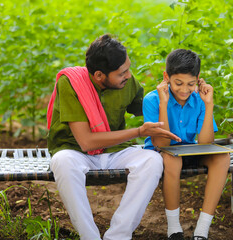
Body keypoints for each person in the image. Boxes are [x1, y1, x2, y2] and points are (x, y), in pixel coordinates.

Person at [46, 34, 181, 240]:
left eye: (128, 68)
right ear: (99, 75)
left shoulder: (127, 82)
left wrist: (177, 92)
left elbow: (149, 110)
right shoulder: (71, 83)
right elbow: (86, 142)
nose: (128, 75)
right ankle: (89, 237)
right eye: (122, 73)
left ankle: (118, 236)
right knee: (62, 162)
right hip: (75, 151)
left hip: (114, 151)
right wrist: (138, 132)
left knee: (152, 161)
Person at [143, 49, 230, 240]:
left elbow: (206, 143)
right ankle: (174, 228)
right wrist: (164, 104)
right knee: (172, 159)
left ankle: (202, 228)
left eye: (191, 84)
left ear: (198, 79)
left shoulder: (199, 99)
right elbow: (162, 142)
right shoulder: (152, 100)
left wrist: (209, 105)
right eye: (178, 83)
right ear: (166, 77)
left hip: (190, 151)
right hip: (162, 153)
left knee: (222, 157)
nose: (184, 90)